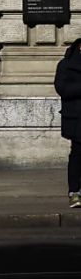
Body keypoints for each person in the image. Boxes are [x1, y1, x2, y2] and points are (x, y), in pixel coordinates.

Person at [55, 38, 81, 208]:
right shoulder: (66, 64)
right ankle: (75, 192)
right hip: (77, 117)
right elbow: (62, 89)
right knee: (78, 155)